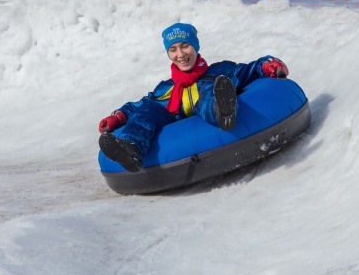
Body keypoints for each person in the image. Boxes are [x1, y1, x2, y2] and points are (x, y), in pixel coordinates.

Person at [98, 23, 288, 173]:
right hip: (172, 116)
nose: (180, 54)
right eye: (173, 49)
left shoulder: (219, 71)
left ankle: (223, 110)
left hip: (208, 98)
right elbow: (139, 106)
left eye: (185, 46)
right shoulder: (167, 86)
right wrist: (119, 116)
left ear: (195, 46)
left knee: (208, 95)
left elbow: (248, 70)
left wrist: (268, 65)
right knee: (148, 110)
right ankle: (130, 149)